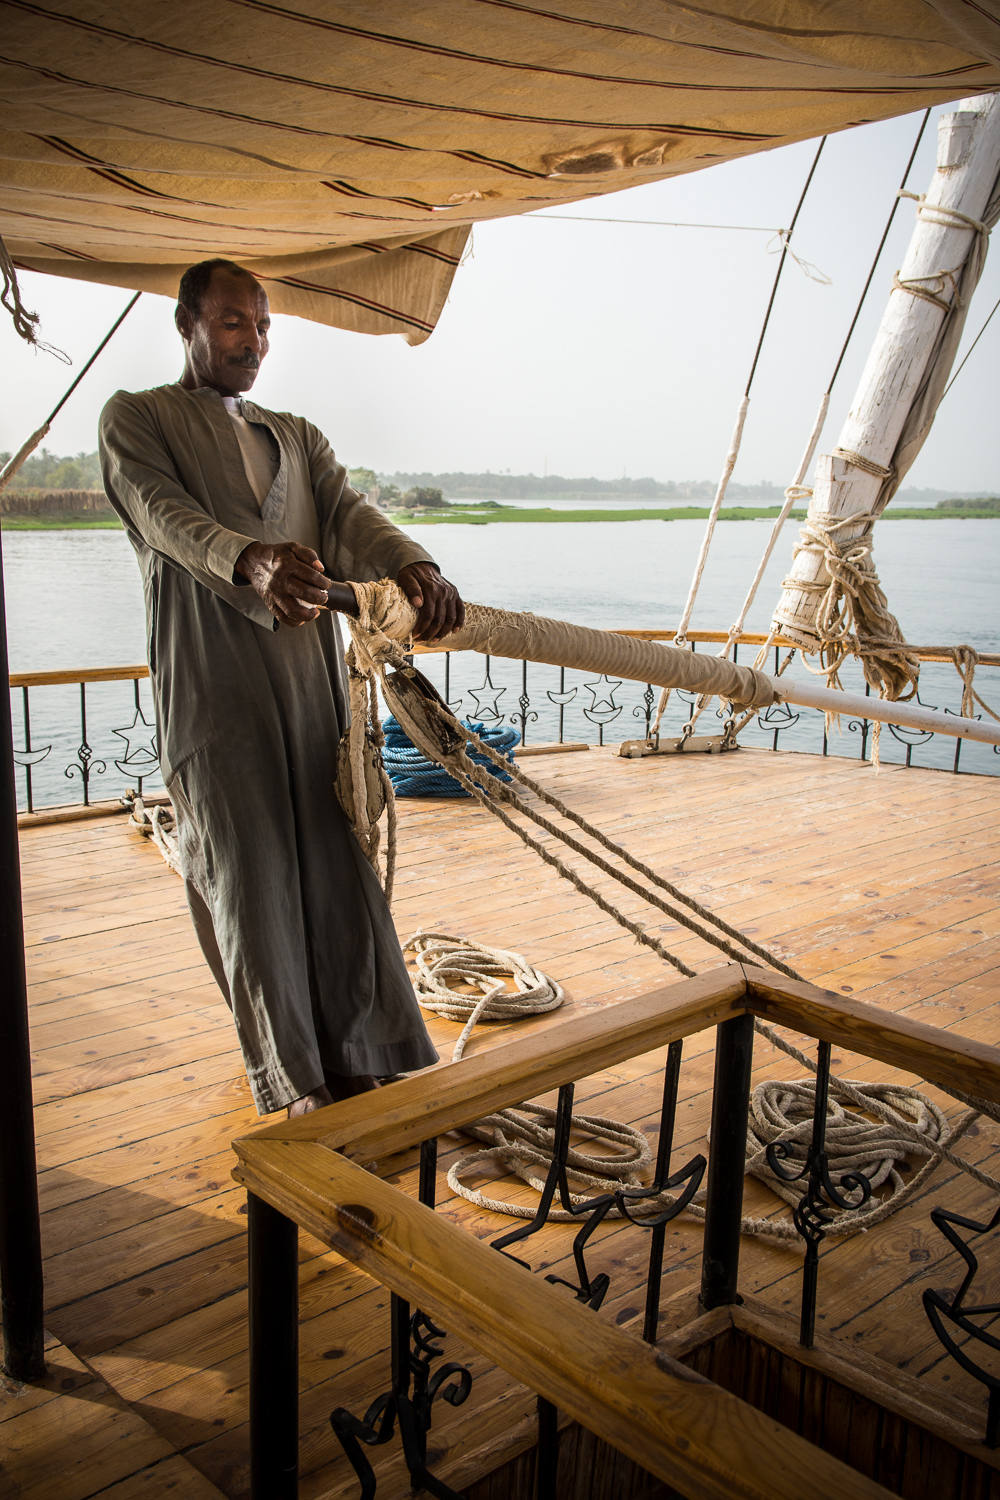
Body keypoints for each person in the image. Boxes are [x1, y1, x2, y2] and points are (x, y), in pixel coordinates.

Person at [99, 257, 465, 1117]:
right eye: (232, 323)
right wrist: (251, 557)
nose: (252, 343)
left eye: (262, 326)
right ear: (186, 323)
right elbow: (162, 514)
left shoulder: (295, 434)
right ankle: (293, 1077)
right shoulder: (136, 419)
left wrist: (412, 563)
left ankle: (366, 1051)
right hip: (212, 688)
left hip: (309, 690)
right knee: (250, 871)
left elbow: (344, 514)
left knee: (336, 864)